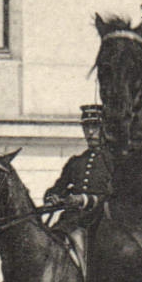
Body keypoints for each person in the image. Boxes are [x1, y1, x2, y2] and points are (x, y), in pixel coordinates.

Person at [44, 104, 114, 270]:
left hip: (100, 223)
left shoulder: (114, 161)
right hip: (70, 221)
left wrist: (85, 200)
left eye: (95, 127)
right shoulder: (76, 162)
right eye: (86, 127)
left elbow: (118, 195)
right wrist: (53, 197)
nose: (90, 133)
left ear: (105, 128)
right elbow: (56, 188)